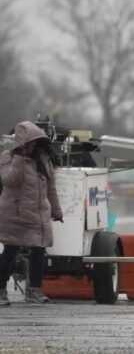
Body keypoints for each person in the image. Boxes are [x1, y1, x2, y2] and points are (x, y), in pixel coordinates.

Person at [0, 121, 64, 306]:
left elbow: (51, 189)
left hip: (38, 215)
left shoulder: (43, 160)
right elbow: (10, 180)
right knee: (10, 252)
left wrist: (57, 211)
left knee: (39, 251)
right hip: (15, 214)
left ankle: (35, 291)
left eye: (35, 142)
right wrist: (20, 157)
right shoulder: (7, 157)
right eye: (29, 142)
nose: (33, 145)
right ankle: (1, 290)